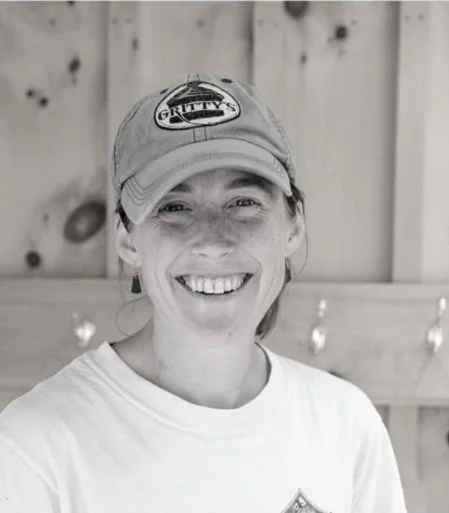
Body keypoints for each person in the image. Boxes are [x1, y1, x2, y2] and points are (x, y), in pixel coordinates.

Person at [0, 72, 407, 513]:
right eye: (174, 207)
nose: (213, 241)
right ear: (128, 240)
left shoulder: (345, 425)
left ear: (294, 226)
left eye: (244, 203)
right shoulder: (35, 449)